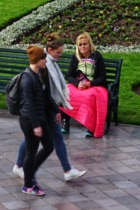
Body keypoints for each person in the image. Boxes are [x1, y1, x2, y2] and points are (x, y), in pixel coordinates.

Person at [13, 33, 86, 184]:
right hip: (41, 111)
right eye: (58, 52)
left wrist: (56, 109)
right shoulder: (41, 69)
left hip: (45, 109)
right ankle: (31, 173)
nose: (60, 55)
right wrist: (40, 120)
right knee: (49, 141)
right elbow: (36, 97)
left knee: (39, 141)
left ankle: (21, 166)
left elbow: (45, 93)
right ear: (49, 50)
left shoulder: (48, 65)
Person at [13, 45, 56, 197]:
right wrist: (36, 125)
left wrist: (56, 110)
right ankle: (28, 185)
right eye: (43, 58)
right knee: (31, 152)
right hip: (30, 120)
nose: (46, 60)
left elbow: (45, 96)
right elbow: (29, 104)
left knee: (49, 146)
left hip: (40, 117)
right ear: (36, 60)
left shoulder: (38, 74)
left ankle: (30, 174)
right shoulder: (27, 79)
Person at [63, 33, 108, 138]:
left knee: (91, 96)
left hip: (94, 85)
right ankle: (65, 122)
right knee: (65, 90)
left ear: (90, 45)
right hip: (79, 85)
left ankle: (90, 126)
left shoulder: (97, 56)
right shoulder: (75, 57)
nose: (82, 47)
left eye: (85, 44)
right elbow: (69, 76)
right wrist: (77, 83)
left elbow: (102, 77)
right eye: (80, 45)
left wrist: (90, 83)